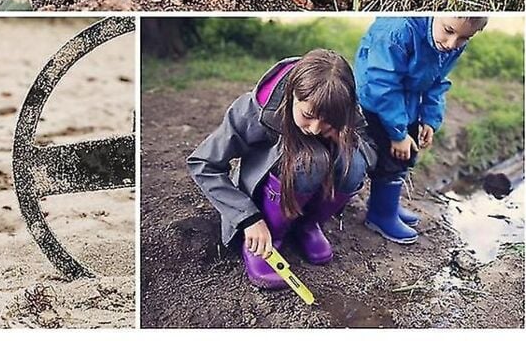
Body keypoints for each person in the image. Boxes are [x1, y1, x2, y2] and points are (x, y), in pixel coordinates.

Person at [187, 49, 376, 289]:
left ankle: (307, 224)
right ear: (293, 94)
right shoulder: (255, 110)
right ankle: (270, 238)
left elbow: (371, 152)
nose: (316, 129)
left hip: (312, 189)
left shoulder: (340, 104)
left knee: (354, 163)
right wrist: (249, 219)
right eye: (308, 115)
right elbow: (203, 163)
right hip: (271, 192)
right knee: (310, 163)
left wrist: (346, 137)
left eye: (327, 120)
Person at [354, 15, 488, 244]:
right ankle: (380, 215)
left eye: (465, 38)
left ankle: (388, 204)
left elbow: (437, 82)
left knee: (408, 154)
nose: (452, 43)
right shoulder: (398, 32)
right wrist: (397, 134)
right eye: (449, 30)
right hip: (376, 101)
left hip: (408, 100)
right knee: (391, 156)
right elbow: (384, 84)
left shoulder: (450, 43)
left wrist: (429, 118)